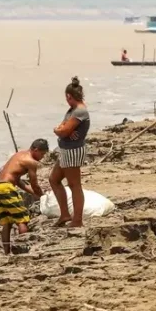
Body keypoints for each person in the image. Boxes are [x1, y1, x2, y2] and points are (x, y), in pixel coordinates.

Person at [0, 139, 48, 254]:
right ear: (36, 150)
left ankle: (6, 252)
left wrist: (32, 192)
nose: (42, 157)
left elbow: (17, 180)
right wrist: (43, 196)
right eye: (42, 154)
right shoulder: (31, 162)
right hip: (6, 188)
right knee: (22, 219)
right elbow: (35, 185)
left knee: (7, 222)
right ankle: (23, 249)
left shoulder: (19, 155)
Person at [50, 77, 91, 228]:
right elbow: (64, 127)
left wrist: (60, 130)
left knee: (74, 185)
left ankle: (77, 220)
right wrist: (63, 130)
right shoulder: (72, 111)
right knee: (54, 179)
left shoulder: (80, 111)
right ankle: (65, 214)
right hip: (66, 150)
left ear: (69, 96)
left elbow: (63, 130)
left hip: (73, 151)